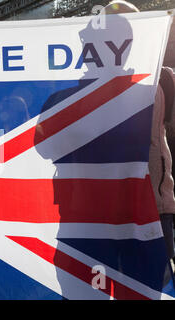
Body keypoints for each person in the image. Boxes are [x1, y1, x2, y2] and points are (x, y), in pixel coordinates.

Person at [104, 0, 175, 268]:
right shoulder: (86, 86)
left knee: (152, 284)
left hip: (154, 207)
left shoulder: (165, 79)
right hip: (103, 211)